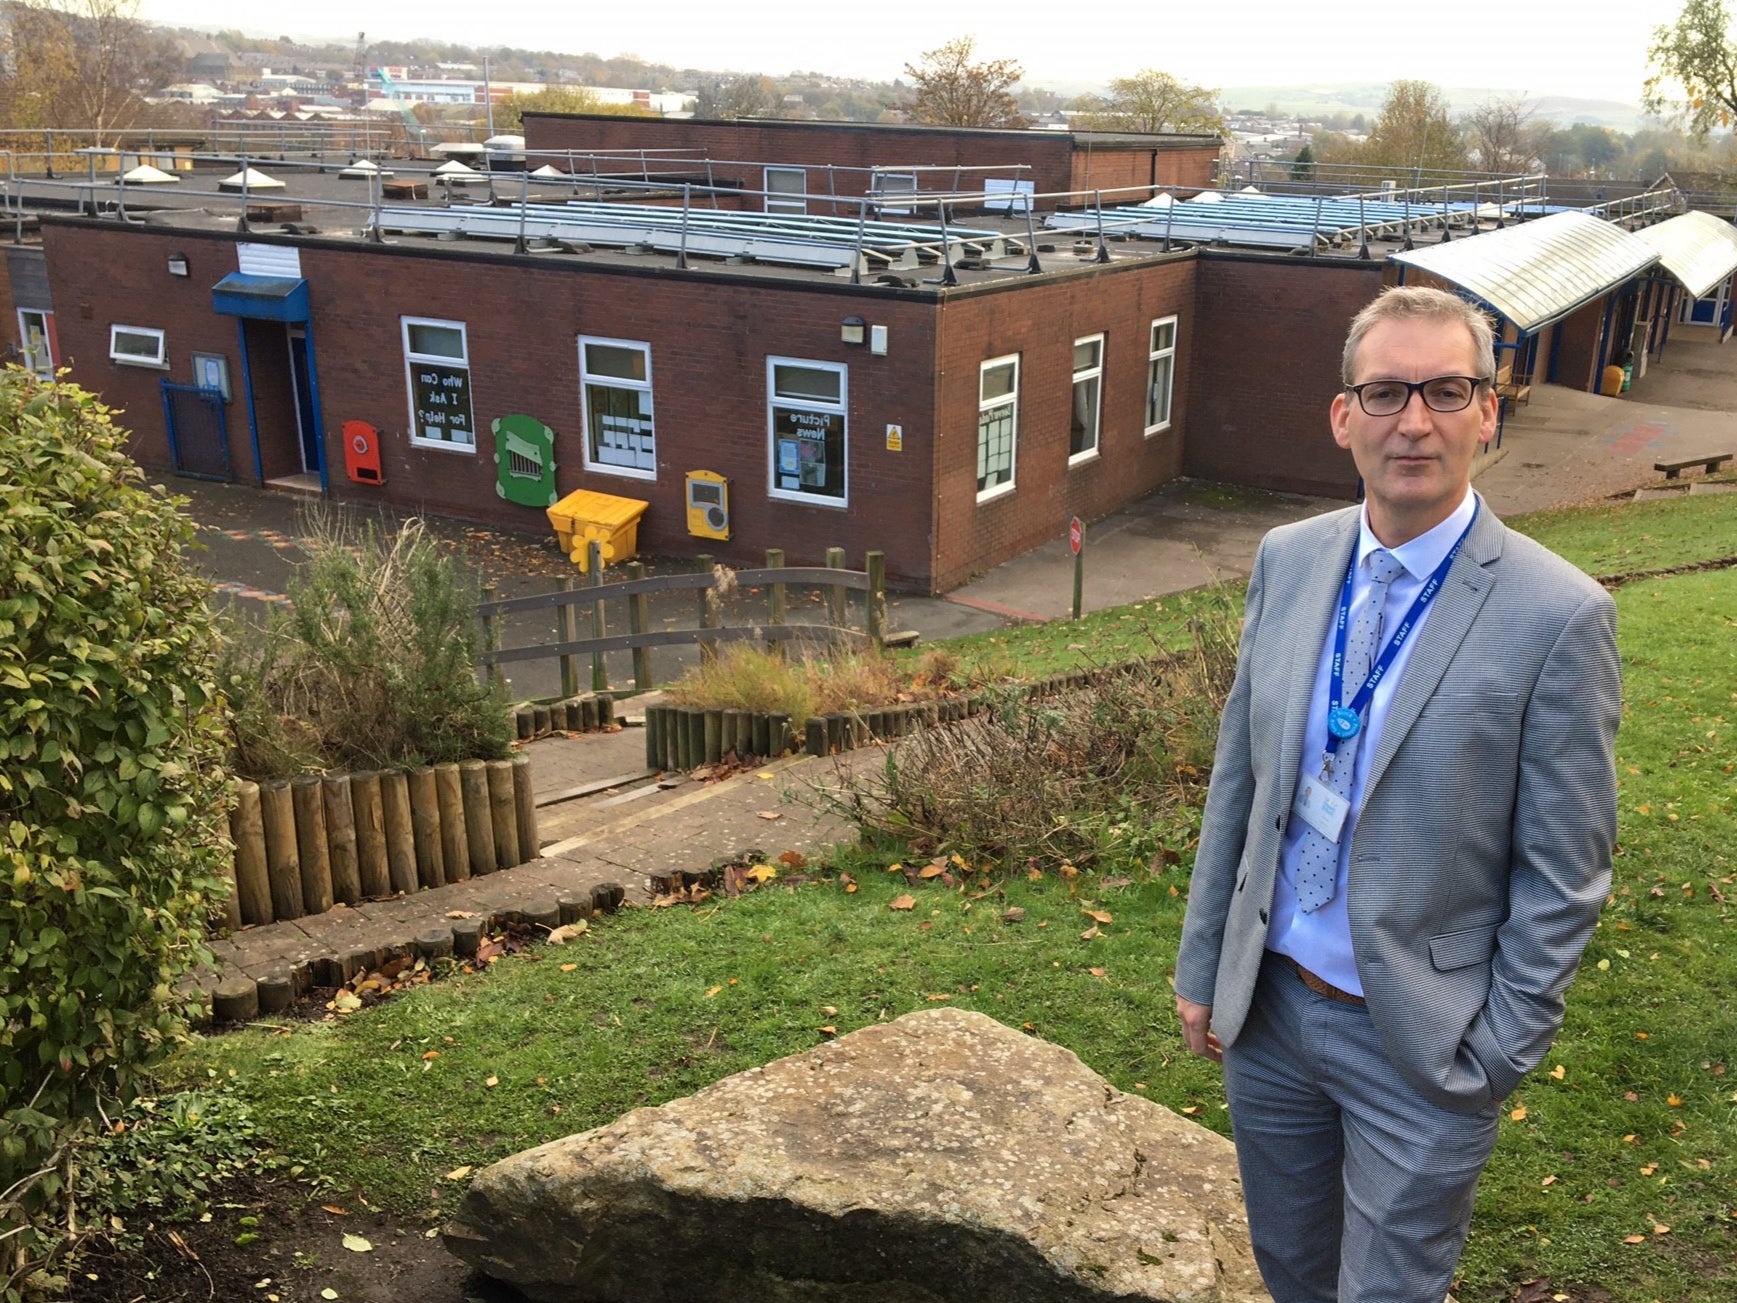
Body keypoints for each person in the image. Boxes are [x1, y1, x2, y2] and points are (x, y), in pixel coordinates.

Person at [1173, 286, 1620, 1303]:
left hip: (1420, 1043)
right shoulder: (1290, 560)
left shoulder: (1558, 616)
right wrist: (1207, 961)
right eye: (1385, 392)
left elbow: (1567, 869)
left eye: (1446, 390)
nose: (1414, 420)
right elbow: (1241, 779)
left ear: (1487, 413)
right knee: (1291, 1273)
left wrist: (1494, 1050)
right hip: (1271, 1013)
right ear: (1345, 417)